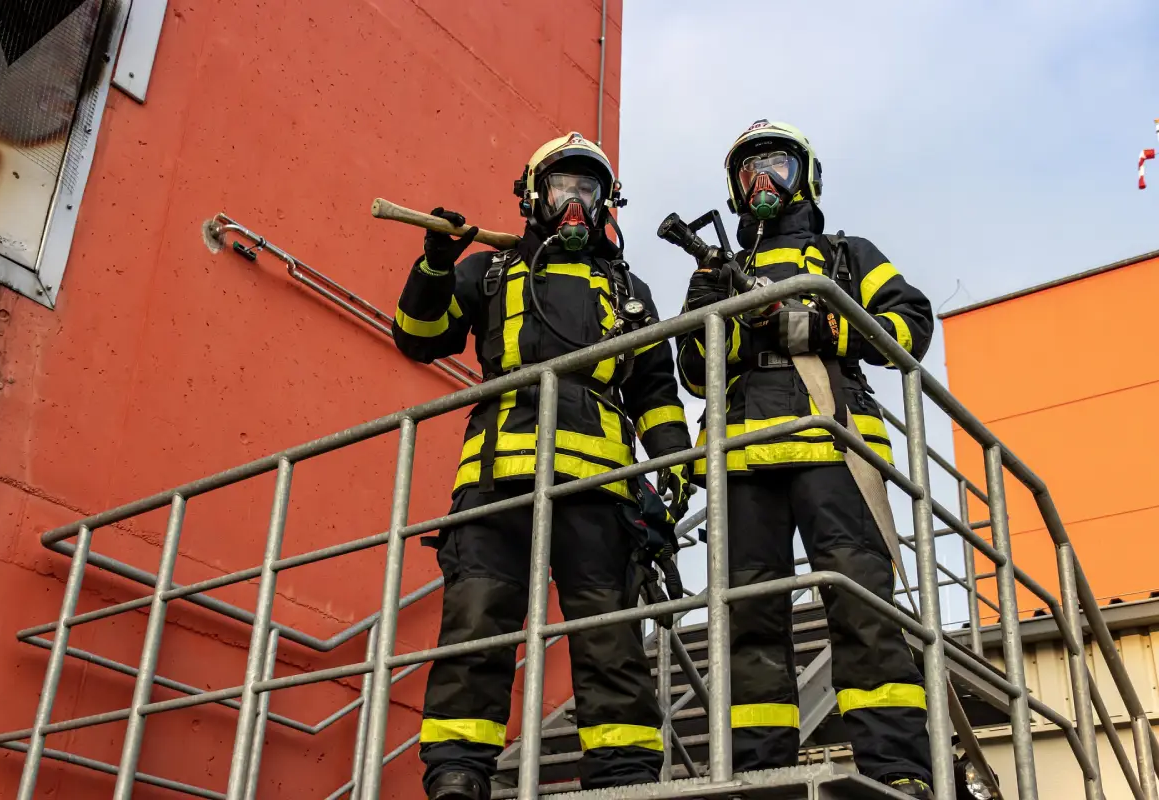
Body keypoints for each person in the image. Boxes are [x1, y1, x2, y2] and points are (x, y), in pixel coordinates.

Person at [393, 132, 694, 800]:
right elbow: (417, 339)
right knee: (476, 628)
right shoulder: (491, 272)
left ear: (606, 202)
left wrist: (676, 467)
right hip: (497, 484)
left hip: (599, 494)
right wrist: (437, 265)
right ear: (535, 196)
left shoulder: (628, 289)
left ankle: (624, 779)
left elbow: (654, 393)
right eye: (563, 189)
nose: (576, 204)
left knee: (608, 639)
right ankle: (456, 776)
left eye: (588, 191)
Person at [675, 120, 936, 799]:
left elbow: (910, 326)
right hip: (742, 456)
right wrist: (738, 322)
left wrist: (816, 324)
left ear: (805, 177)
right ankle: (762, 773)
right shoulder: (710, 273)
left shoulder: (845, 253)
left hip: (834, 442)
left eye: (776, 168)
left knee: (860, 605)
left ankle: (898, 765)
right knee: (749, 617)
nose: (763, 184)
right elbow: (695, 368)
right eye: (750, 172)